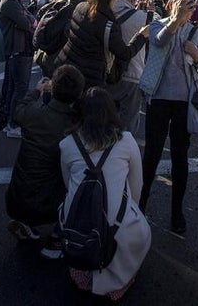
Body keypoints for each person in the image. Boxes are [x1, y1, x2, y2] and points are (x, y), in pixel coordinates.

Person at [60, 88, 150, 301]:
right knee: (140, 230)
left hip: (77, 224)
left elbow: (67, 184)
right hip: (118, 227)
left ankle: (83, 275)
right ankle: (117, 280)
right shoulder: (126, 141)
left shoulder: (67, 144)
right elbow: (137, 186)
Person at [137, 0, 198, 235]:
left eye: (190, 8)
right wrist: (174, 20)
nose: (186, 12)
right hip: (158, 98)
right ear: (171, 5)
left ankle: (177, 211)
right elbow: (159, 41)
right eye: (182, 6)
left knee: (180, 157)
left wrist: (197, 54)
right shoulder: (157, 25)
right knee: (152, 154)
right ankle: (140, 206)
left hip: (184, 102)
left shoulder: (197, 33)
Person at [5, 64, 85, 255]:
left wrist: (36, 91)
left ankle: (26, 223)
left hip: (17, 196)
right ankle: (57, 237)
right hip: (50, 203)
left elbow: (19, 111)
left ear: (52, 88)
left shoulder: (34, 114)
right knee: (81, 180)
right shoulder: (73, 126)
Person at [55, 0, 135, 91]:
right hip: (89, 77)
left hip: (67, 65)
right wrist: (141, 36)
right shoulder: (107, 24)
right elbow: (124, 53)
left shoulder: (80, 7)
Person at [105, 0, 148, 133]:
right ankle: (125, 146)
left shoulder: (104, 13)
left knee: (106, 119)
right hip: (133, 73)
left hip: (107, 73)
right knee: (128, 123)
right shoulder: (143, 17)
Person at [0, 0, 36, 138]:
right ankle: (13, 124)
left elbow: (29, 17)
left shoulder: (13, 0)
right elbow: (27, 22)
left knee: (14, 88)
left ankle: (10, 122)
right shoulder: (10, 2)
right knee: (20, 89)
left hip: (19, 48)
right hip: (17, 49)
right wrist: (30, 21)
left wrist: (30, 20)